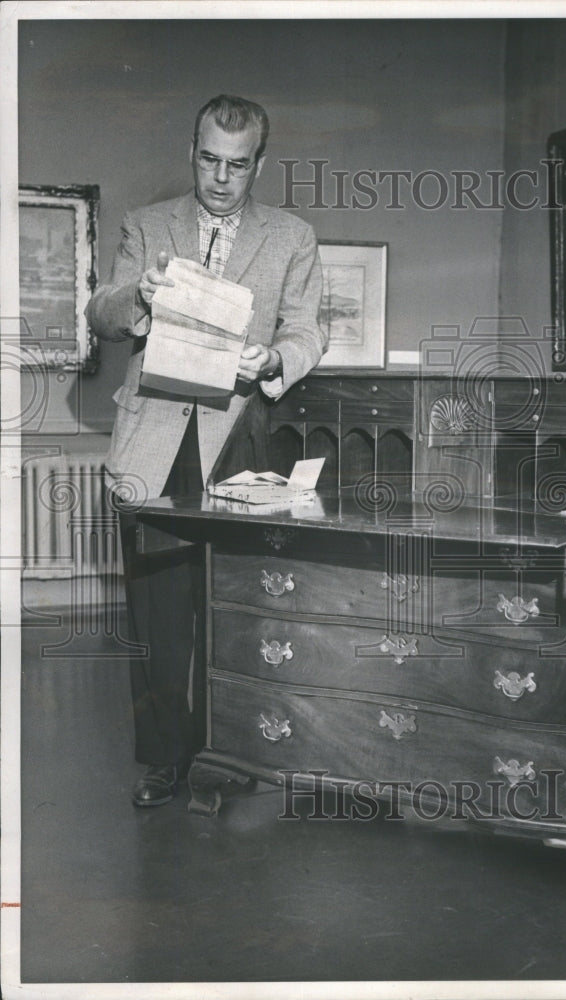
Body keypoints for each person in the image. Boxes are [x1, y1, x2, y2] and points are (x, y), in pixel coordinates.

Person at [86, 94, 326, 806]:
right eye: (208, 159)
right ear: (192, 151)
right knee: (158, 615)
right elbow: (101, 312)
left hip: (240, 438)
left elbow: (310, 331)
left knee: (237, 607)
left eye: (238, 165)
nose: (221, 177)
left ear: (259, 163)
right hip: (154, 443)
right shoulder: (146, 224)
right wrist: (140, 295)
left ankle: (236, 753)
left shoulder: (292, 237)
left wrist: (275, 357)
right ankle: (167, 759)